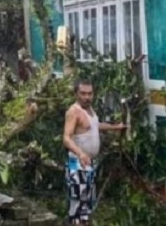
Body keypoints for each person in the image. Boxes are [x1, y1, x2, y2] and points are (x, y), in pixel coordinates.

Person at [63, 78, 127, 225]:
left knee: (86, 206)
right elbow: (66, 138)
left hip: (89, 164)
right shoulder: (73, 112)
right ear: (76, 94)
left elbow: (95, 126)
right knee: (77, 207)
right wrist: (80, 153)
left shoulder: (90, 110)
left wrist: (115, 127)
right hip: (77, 165)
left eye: (89, 94)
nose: (87, 97)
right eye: (83, 93)